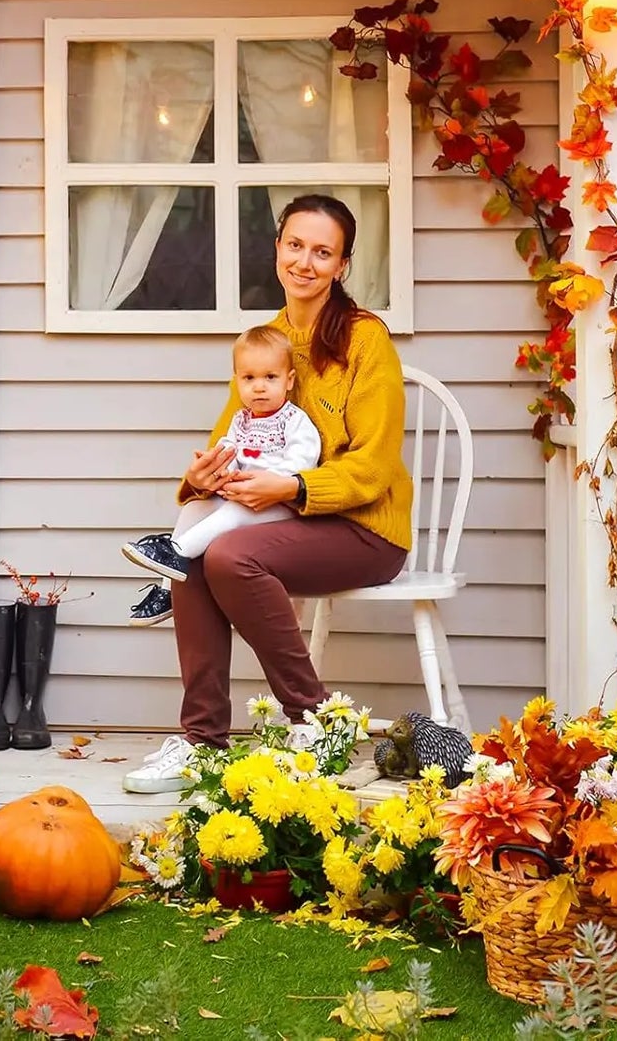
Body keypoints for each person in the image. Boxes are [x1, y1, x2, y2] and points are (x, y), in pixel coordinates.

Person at [122, 194, 413, 793]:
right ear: (277, 248)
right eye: (296, 245)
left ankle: (315, 720)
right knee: (196, 556)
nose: (306, 262)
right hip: (287, 519)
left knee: (230, 553)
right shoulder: (266, 342)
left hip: (366, 529)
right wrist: (203, 478)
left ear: (342, 265)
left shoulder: (365, 341)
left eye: (323, 252)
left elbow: (376, 465)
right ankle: (203, 742)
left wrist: (295, 485)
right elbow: (229, 439)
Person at [124, 323, 321, 593]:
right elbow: (230, 451)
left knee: (234, 512)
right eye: (249, 378)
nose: (259, 387)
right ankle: (167, 590)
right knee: (194, 508)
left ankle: (178, 551)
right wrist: (220, 468)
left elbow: (303, 460)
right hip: (242, 496)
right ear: (237, 380)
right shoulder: (241, 420)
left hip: (279, 504)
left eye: (270, 377)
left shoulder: (294, 420)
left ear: (289, 380)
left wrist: (272, 481)